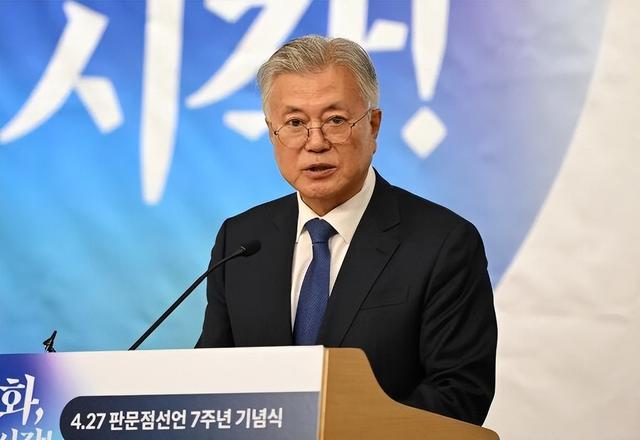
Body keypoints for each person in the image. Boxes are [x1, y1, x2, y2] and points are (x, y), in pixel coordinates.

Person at [196, 35, 497, 426]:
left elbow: (459, 394)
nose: (315, 142)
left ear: (373, 125)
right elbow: (209, 382)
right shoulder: (241, 241)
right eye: (295, 123)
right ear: (272, 132)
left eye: (335, 120)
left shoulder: (443, 243)